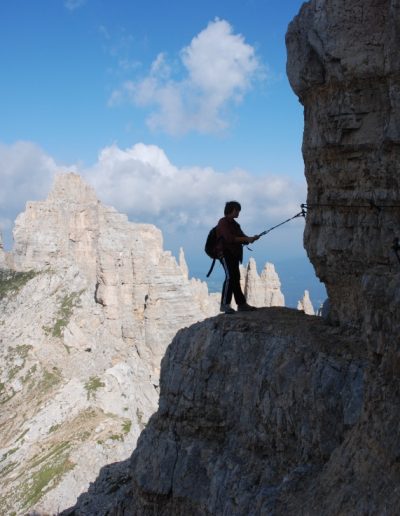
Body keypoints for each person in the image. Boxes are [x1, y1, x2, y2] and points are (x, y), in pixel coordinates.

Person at [216, 201, 260, 314]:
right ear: (232, 210)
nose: (238, 213)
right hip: (225, 254)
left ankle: (241, 304)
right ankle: (225, 304)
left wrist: (251, 238)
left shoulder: (235, 224)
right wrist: (247, 239)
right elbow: (229, 239)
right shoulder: (223, 222)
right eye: (237, 210)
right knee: (230, 277)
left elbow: (242, 237)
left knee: (235, 277)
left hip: (234, 254)